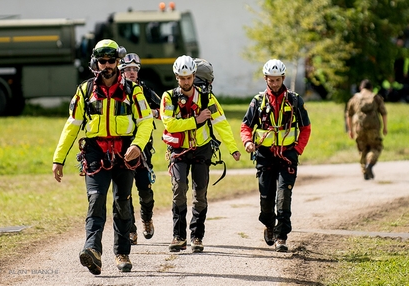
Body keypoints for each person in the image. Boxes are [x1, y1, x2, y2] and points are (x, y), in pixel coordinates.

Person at [52, 39, 154, 274]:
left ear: (118, 62)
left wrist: (138, 145)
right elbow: (72, 125)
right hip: (95, 152)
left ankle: (122, 253)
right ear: (96, 63)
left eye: (111, 61)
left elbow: (146, 121)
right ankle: (92, 251)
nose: (107, 65)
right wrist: (59, 159)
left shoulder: (133, 90)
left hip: (125, 152)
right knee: (96, 200)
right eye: (102, 61)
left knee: (122, 202)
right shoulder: (85, 90)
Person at [160, 55, 241, 253]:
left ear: (194, 75)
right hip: (179, 151)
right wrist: (195, 121)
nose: (186, 81)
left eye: (189, 77)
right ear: (177, 77)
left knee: (200, 194)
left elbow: (221, 123)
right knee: (179, 188)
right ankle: (178, 236)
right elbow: (169, 123)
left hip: (202, 150)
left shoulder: (207, 98)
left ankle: (196, 236)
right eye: (182, 77)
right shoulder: (168, 97)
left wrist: (233, 148)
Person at [240, 59, 311, 252]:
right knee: (266, 199)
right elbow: (246, 126)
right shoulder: (257, 101)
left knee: (283, 197)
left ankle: (281, 236)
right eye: (270, 80)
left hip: (288, 156)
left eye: (277, 80)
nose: (274, 83)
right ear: (265, 79)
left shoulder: (295, 100)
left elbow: (306, 128)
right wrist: (247, 141)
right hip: (264, 156)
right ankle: (269, 225)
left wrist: (297, 150)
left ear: (283, 78)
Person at [119, 53, 161, 245]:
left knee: (145, 190)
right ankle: (131, 229)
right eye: (128, 69)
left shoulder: (144, 90)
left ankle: (146, 219)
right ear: (121, 71)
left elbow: (166, 112)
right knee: (124, 192)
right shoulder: (117, 91)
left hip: (143, 149)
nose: (132, 72)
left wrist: (151, 113)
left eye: (135, 69)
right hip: (121, 149)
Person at [346, 79, 388, 180]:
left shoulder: (355, 98)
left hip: (359, 127)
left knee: (362, 149)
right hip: (374, 128)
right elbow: (384, 113)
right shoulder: (375, 97)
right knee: (376, 147)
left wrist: (350, 130)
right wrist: (385, 128)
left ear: (361, 88)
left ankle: (364, 170)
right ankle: (370, 164)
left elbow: (349, 115)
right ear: (371, 88)